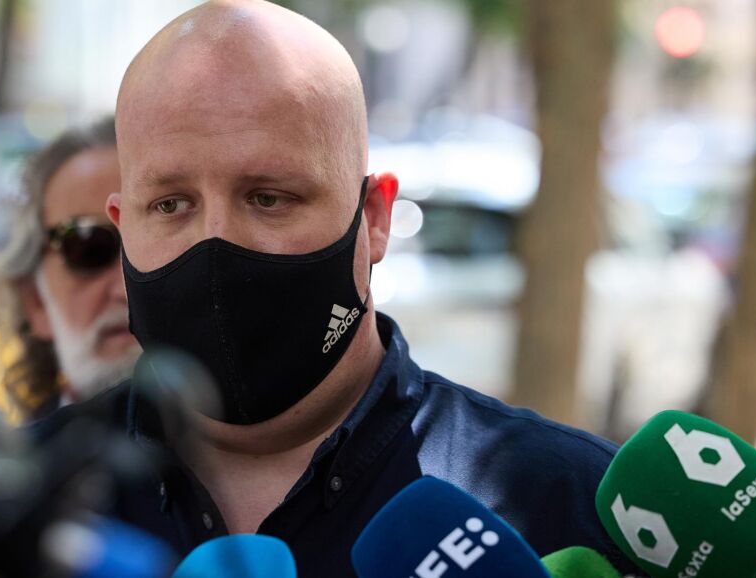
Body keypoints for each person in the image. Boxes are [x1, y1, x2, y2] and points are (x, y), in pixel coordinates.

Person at [43, 1, 637, 575]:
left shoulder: (575, 512)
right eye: (171, 205)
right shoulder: (25, 504)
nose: (216, 242)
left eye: (269, 198)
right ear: (124, 228)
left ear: (374, 218)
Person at [0, 118, 140, 420]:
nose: (126, 290)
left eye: (151, 248)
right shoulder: (14, 452)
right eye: (88, 247)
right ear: (34, 301)